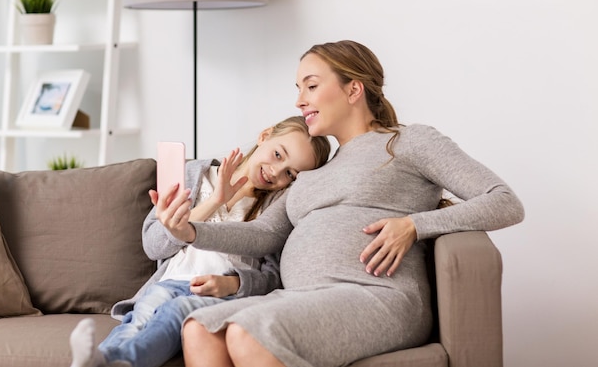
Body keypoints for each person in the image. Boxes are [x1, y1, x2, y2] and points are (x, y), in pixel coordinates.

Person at [157, 40, 525, 367]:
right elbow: (264, 234)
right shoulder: (310, 174)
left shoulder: (408, 143)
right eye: (299, 88)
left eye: (312, 86)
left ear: (353, 90)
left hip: (377, 297)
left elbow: (504, 202)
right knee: (199, 329)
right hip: (300, 299)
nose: (300, 99)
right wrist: (190, 230)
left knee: (246, 332)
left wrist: (415, 225)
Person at [68, 115, 331, 367]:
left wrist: (233, 284)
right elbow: (153, 246)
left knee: (176, 311)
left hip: (218, 297)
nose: (276, 172)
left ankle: (113, 361)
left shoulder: (275, 208)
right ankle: (102, 360)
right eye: (277, 155)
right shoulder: (194, 174)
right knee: (138, 320)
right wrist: (215, 201)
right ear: (265, 136)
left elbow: (273, 276)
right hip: (170, 283)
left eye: (290, 174)